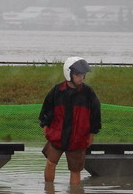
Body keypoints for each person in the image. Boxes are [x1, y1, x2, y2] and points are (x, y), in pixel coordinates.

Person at [39, 57, 101, 185]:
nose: (81, 78)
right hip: (57, 136)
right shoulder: (57, 91)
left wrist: (91, 134)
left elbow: (95, 115)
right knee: (50, 164)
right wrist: (46, 128)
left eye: (83, 75)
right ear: (68, 74)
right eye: (78, 74)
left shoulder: (88, 93)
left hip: (78, 139)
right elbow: (46, 110)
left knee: (75, 170)